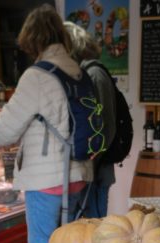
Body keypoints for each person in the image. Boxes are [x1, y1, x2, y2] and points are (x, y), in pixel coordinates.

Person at [0, 5, 93, 243]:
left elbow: (2, 133)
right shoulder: (78, 72)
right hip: (78, 175)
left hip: (46, 181)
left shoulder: (36, 76)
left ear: (32, 39)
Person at [64, 22, 115, 218]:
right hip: (89, 171)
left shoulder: (93, 75)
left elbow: (104, 129)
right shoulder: (85, 74)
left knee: (94, 233)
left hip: (96, 173)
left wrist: (87, 168)